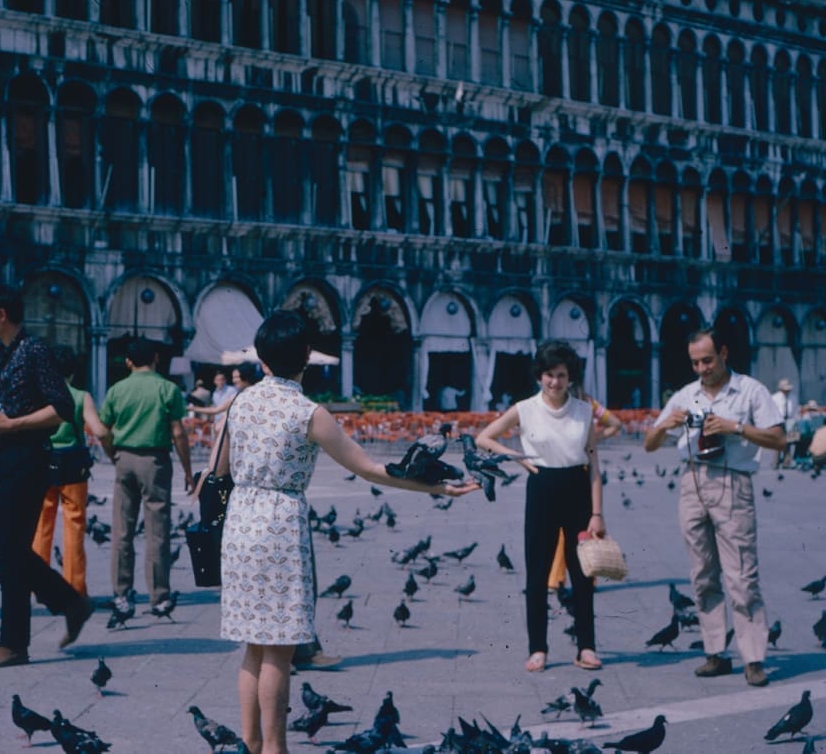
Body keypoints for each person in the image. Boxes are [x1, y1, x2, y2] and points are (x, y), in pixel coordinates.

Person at [214, 311, 477, 754]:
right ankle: (276, 749)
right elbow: (370, 467)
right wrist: (435, 486)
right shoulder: (308, 412)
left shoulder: (238, 403)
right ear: (306, 359)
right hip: (279, 524)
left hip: (240, 520)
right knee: (279, 649)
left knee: (252, 649)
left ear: (261, 360)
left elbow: (218, 470)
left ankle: (250, 744)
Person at [0, 288, 94, 668]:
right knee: (4, 546)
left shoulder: (34, 350)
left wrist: (13, 426)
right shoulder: (6, 354)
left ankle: (16, 643)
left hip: (31, 460)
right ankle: (70, 603)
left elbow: (63, 408)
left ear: (2, 314)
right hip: (10, 457)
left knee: (10, 547)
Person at [643, 328, 784, 687]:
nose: (702, 368)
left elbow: (779, 439)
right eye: (695, 363)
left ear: (723, 352)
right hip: (692, 482)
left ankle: (753, 658)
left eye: (707, 360)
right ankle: (715, 653)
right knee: (702, 573)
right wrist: (667, 426)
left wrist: (735, 427)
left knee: (741, 575)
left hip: (732, 480)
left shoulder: (750, 390)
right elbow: (649, 443)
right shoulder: (685, 395)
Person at [475, 340, 606, 673]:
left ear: (570, 377)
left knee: (583, 575)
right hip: (541, 489)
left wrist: (597, 513)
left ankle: (586, 647)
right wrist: (518, 458)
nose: (555, 383)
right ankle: (538, 648)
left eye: (561, 375)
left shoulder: (584, 410)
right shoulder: (525, 409)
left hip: (577, 488)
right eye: (549, 375)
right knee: (537, 573)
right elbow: (484, 437)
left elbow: (594, 464)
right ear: (539, 376)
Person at [99, 337, 193, 625]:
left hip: (124, 459)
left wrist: (113, 454)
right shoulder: (167, 388)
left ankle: (122, 593)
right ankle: (159, 595)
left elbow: (104, 430)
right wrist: (188, 470)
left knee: (122, 530)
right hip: (155, 461)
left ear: (128, 362)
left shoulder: (117, 389)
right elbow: (178, 432)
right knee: (157, 530)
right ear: (155, 358)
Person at [31, 346, 108, 596]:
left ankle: (39, 584)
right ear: (73, 371)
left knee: (41, 524)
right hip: (73, 465)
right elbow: (98, 430)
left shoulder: (40, 395)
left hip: (43, 463)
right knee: (74, 525)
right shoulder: (81, 395)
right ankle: (75, 586)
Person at [548, 387, 623, 591]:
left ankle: (556, 579)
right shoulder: (589, 403)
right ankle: (590, 575)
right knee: (586, 526)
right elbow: (616, 424)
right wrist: (594, 439)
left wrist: (591, 439)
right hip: (586, 470)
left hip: (563, 469)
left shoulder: (558, 404)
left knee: (560, 527)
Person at [770, 378, 798, 468]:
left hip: (790, 421)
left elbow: (795, 410)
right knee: (778, 442)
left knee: (789, 442)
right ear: (781, 389)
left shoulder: (793, 398)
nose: (787, 391)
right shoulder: (775, 398)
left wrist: (795, 421)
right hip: (779, 420)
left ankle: (787, 462)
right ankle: (776, 462)